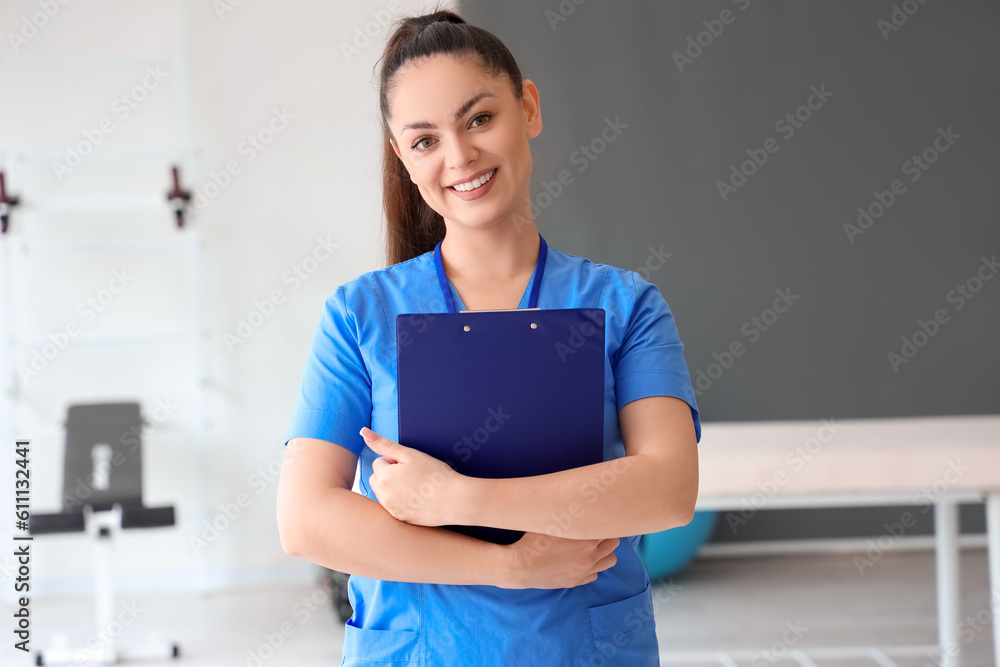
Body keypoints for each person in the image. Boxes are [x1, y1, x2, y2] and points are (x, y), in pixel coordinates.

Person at [277, 7, 701, 666]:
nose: (459, 156)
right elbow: (305, 519)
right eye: (425, 140)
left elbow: (668, 488)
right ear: (402, 157)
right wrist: (510, 564)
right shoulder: (359, 315)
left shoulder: (627, 306)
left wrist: (455, 497)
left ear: (528, 108)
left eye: (479, 119)